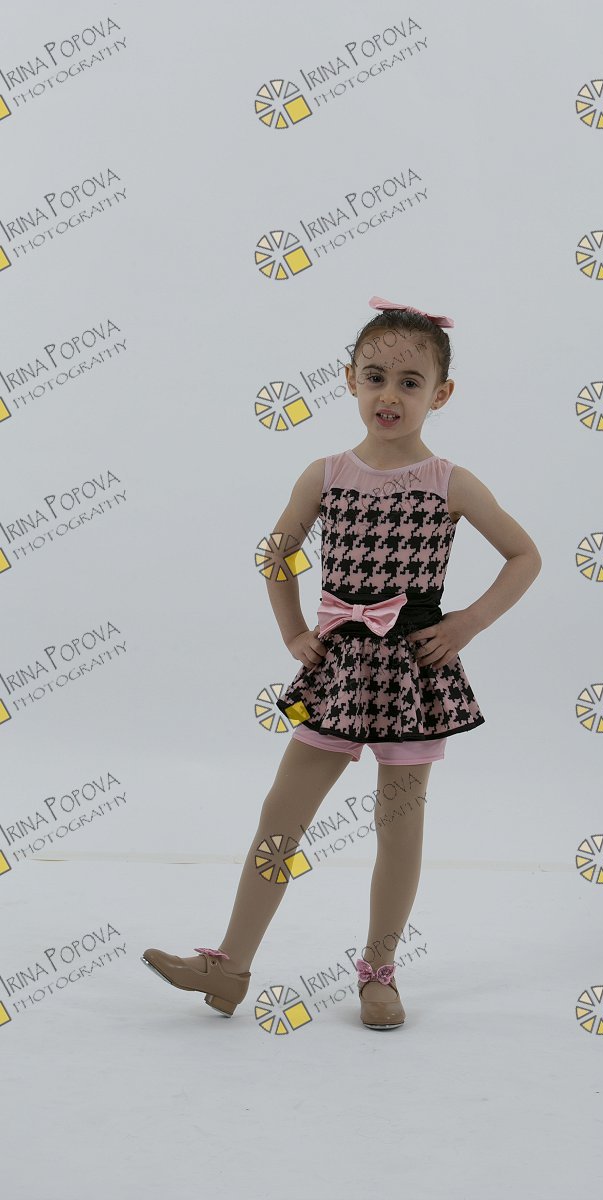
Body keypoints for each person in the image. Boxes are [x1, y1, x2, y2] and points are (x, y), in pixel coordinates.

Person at [142, 294, 542, 1030]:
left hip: (414, 672)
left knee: (399, 822)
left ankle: (379, 971)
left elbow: (525, 556)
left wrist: (465, 624)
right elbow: (278, 553)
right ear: (350, 380)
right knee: (281, 813)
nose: (390, 395)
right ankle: (230, 965)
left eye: (411, 382)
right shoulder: (325, 473)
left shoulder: (450, 482)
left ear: (441, 394)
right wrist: (294, 631)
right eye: (375, 377)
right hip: (337, 669)